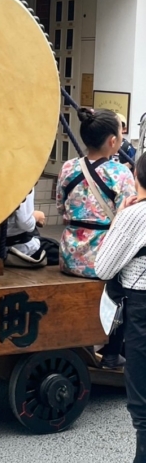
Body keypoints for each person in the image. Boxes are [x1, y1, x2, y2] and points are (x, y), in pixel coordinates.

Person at [56, 107, 136, 367]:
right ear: (112, 141)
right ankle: (112, 352)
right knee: (130, 284)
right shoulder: (121, 173)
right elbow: (126, 218)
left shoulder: (68, 168)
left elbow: (60, 207)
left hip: (69, 255)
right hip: (100, 258)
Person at [94, 152, 146, 463]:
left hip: (142, 314)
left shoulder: (135, 216)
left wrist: (119, 220)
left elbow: (103, 267)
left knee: (143, 405)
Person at [0, 190, 48, 268]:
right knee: (55, 250)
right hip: (12, 250)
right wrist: (37, 217)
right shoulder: (24, 180)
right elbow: (25, 223)